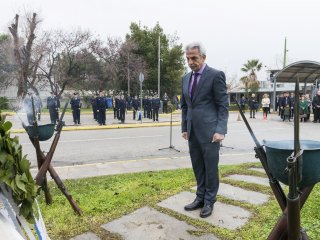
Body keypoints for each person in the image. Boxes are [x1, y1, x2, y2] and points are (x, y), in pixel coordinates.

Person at [181, 42, 229, 218]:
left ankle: (209, 201)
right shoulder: (185, 78)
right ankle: (200, 197)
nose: (191, 61)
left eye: (194, 58)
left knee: (210, 168)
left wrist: (221, 130)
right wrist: (185, 127)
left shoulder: (216, 75)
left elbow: (223, 105)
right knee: (198, 166)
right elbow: (185, 106)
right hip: (192, 131)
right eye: (188, 58)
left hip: (211, 133)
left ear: (203, 57)